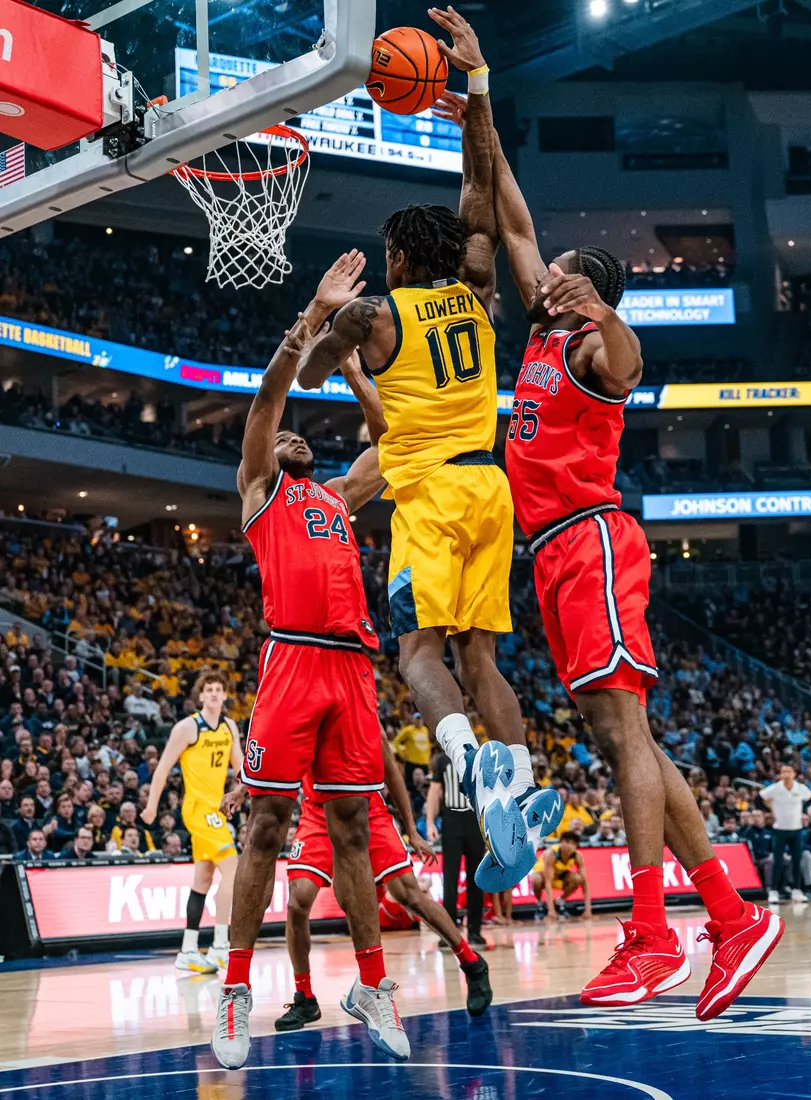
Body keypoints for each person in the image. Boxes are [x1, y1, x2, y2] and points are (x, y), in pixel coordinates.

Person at [431, 86, 782, 1019]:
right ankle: (730, 916)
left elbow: (630, 365)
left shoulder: (591, 348)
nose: (541, 273)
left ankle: (652, 932)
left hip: (591, 541)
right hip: (551, 554)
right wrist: (478, 104)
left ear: (583, 292)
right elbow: (511, 215)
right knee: (626, 738)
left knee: (623, 733)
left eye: (561, 275)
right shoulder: (544, 331)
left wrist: (605, 312)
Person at [295, 7, 562, 890]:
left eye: (386, 253)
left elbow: (306, 370)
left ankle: (467, 758)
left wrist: (327, 316)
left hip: (432, 500)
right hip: (491, 491)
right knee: (482, 657)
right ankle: (521, 785)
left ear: (401, 256)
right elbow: (480, 192)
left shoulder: (377, 315)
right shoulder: (478, 288)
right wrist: (476, 91)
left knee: (418, 656)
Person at [211, 253, 406, 1071]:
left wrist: (356, 370)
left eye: (301, 436)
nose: (291, 434)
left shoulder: (335, 498)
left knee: (353, 827)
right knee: (264, 826)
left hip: (351, 669)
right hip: (292, 661)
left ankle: (371, 983)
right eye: (283, 435)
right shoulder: (262, 490)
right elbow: (267, 399)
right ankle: (233, 988)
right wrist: (314, 319)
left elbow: (394, 446)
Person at [240, 732, 492, 1033]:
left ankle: (471, 962)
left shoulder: (363, 717)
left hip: (366, 810)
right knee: (297, 901)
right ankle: (304, 996)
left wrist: (411, 829)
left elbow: (392, 774)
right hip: (317, 814)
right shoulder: (300, 717)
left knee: (409, 895)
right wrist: (242, 789)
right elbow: (273, 756)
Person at [142, 670, 244, 975]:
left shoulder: (229, 726)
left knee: (203, 879)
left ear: (225, 695)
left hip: (218, 810)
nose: (213, 693)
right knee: (234, 870)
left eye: (218, 689)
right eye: (208, 689)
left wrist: (249, 792)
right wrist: (151, 807)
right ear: (200, 696)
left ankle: (188, 950)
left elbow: (240, 768)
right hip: (198, 809)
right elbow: (162, 768)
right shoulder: (187, 727)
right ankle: (221, 944)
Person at [427, 748, 486, 946]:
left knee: (476, 879)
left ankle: (475, 931)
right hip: (451, 819)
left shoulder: (479, 757)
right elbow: (435, 791)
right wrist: (430, 822)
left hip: (474, 819)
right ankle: (450, 933)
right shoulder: (443, 760)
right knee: (450, 878)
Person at [760, 765, 811, 904]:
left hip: (796, 829)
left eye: (789, 771)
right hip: (780, 830)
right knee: (777, 861)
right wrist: (770, 808)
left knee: (797, 860)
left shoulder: (800, 788)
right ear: (780, 775)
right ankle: (773, 891)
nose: (787, 774)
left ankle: (797, 890)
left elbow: (809, 796)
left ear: (794, 774)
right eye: (784, 772)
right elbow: (762, 796)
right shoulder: (775, 788)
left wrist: (801, 811)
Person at [531, 831, 589, 921]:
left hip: (558, 877)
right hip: (543, 877)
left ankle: (560, 902)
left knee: (578, 879)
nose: (570, 846)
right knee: (535, 878)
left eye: (573, 844)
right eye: (568, 843)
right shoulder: (551, 854)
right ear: (562, 841)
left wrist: (588, 910)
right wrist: (551, 911)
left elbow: (584, 883)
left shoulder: (577, 856)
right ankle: (540, 904)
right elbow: (548, 883)